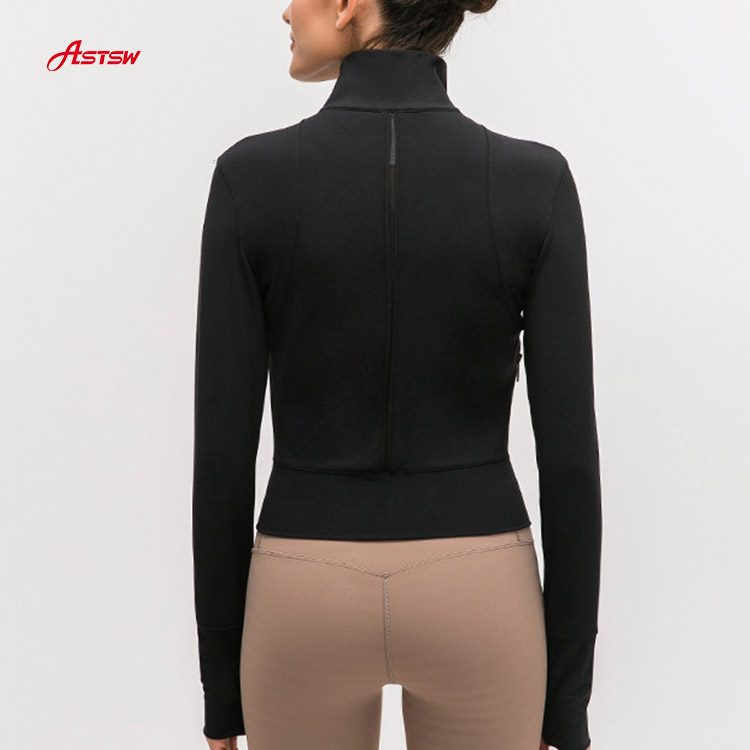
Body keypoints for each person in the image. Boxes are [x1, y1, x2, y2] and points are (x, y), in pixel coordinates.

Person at [191, 0, 602, 748]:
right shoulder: (533, 181)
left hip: (303, 586)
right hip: (479, 588)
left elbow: (221, 454)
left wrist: (222, 686)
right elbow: (570, 458)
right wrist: (568, 698)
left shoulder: (250, 177)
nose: (285, 10)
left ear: (350, 5)